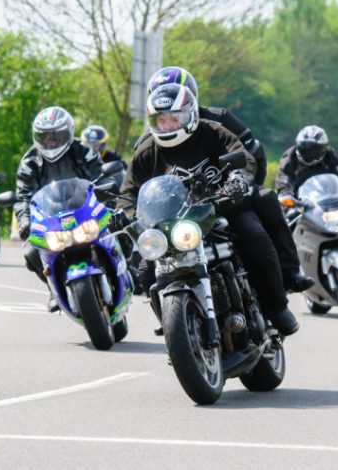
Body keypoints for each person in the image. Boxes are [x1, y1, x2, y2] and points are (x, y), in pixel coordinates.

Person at [116, 83, 300, 336]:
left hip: (224, 209)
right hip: (174, 223)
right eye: (161, 120)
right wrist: (124, 214)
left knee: (254, 238)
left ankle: (277, 308)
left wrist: (239, 178)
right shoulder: (147, 150)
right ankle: (173, 322)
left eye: (174, 118)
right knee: (147, 272)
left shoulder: (213, 131)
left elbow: (241, 156)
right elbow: (128, 193)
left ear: (190, 114)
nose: (167, 126)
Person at [145, 66, 313, 294]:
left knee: (265, 201)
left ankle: (289, 271)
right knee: (145, 267)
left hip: (228, 196)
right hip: (178, 213)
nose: (168, 114)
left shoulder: (220, 120)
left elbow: (253, 154)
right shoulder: (149, 140)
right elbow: (139, 185)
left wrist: (245, 185)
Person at [14, 107, 103, 312]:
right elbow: (23, 196)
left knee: (116, 231)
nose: (50, 142)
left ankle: (127, 266)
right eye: (45, 137)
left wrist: (109, 198)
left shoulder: (83, 151)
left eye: (56, 136)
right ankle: (55, 289)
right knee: (32, 255)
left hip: (85, 211)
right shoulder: (30, 161)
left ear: (68, 132)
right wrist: (25, 220)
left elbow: (101, 177)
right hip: (51, 219)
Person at [276, 125, 338, 197]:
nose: (309, 153)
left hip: (329, 200)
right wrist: (286, 194)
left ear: (323, 148)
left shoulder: (330, 154)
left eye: (313, 150)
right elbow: (284, 178)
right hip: (299, 201)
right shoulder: (290, 156)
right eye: (304, 148)